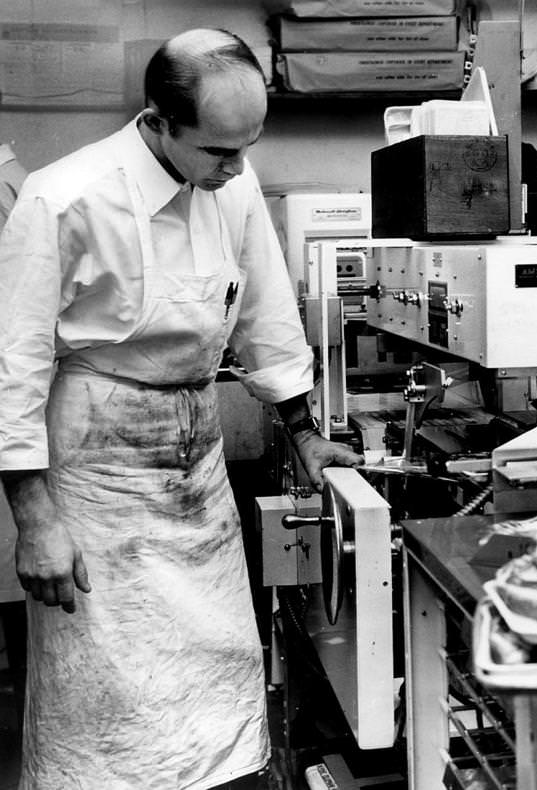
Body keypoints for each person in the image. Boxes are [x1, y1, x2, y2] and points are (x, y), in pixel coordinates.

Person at [0, 28, 363, 790]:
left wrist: (302, 432)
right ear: (159, 121)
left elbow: (266, 309)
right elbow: (13, 369)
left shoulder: (228, 182)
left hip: (194, 465)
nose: (236, 169)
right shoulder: (64, 198)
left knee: (220, 668)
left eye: (247, 147)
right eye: (220, 152)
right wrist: (35, 520)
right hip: (95, 476)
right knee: (103, 698)